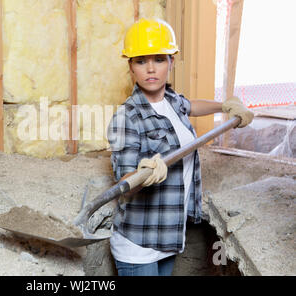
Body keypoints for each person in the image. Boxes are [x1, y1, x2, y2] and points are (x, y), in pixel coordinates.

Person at [107, 18, 254, 276]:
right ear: (130, 67)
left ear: (171, 62)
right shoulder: (127, 117)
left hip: (168, 236)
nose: (150, 69)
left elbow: (191, 105)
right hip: (139, 243)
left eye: (159, 59)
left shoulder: (172, 100)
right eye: (141, 61)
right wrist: (143, 172)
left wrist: (225, 106)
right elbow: (124, 182)